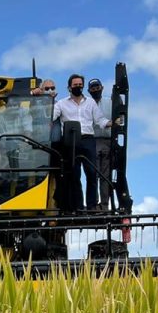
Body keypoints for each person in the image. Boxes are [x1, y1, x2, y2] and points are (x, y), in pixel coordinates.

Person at [52, 74, 95, 211]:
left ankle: (92, 206)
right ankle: (78, 206)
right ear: (69, 87)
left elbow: (100, 119)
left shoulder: (91, 102)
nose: (78, 87)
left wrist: (110, 123)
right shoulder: (61, 103)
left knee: (92, 173)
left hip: (88, 139)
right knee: (75, 175)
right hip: (71, 141)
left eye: (80, 84)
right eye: (75, 85)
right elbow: (51, 116)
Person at [82, 78, 113, 210]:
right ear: (89, 90)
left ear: (102, 87)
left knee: (105, 176)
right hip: (92, 141)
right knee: (92, 174)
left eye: (97, 87)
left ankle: (105, 205)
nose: (95, 90)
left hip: (107, 141)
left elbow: (118, 119)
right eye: (93, 88)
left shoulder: (110, 102)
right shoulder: (86, 104)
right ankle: (93, 205)